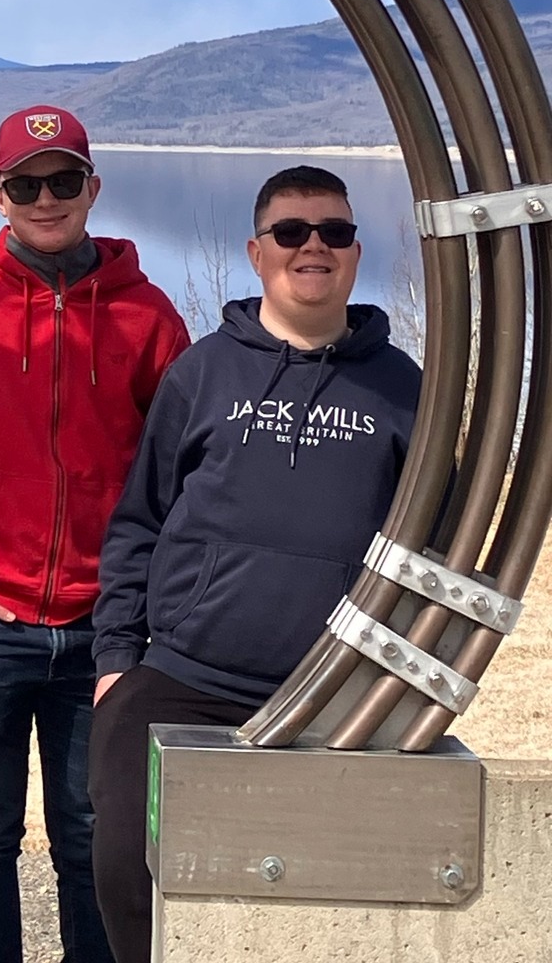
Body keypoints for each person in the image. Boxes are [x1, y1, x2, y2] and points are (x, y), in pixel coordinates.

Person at [89, 164, 421, 963]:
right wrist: (115, 663)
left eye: (335, 232)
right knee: (131, 882)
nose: (314, 247)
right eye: (292, 232)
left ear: (354, 249)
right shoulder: (203, 372)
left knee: (311, 906)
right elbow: (140, 521)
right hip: (184, 679)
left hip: (337, 696)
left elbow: (429, 550)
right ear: (256, 250)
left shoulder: (404, 387)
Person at [0, 105, 188, 963]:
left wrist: (140, 610)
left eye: (64, 181)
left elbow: (175, 476)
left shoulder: (148, 316)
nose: (47, 198)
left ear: (93, 187)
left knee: (88, 837)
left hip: (102, 632)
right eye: (27, 184)